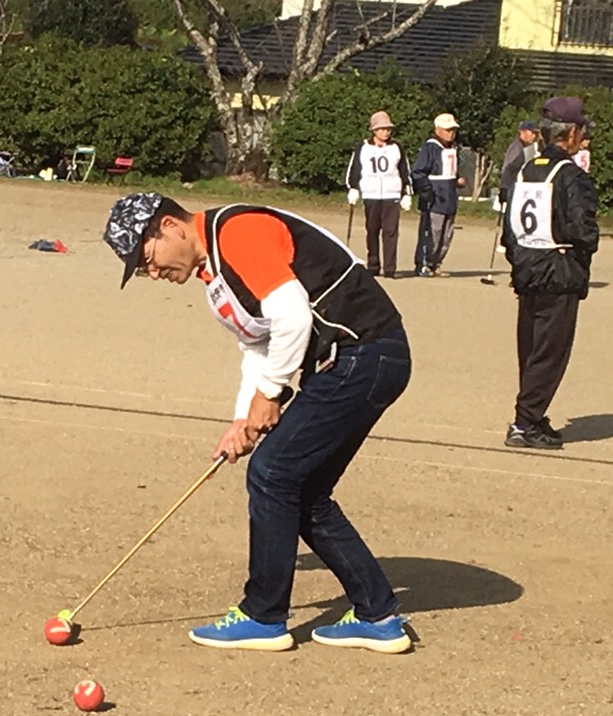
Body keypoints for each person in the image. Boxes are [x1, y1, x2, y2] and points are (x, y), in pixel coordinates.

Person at [102, 193, 413, 654]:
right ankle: (378, 615)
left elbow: (290, 316)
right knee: (300, 490)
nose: (152, 273)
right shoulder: (214, 277)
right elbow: (259, 346)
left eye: (147, 258)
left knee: (272, 474)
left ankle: (264, 616)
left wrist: (271, 396)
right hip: (356, 361)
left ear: (170, 226)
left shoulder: (236, 233)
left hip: (365, 355)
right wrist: (242, 419)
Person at [501, 97, 599, 451]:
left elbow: (509, 228)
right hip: (558, 272)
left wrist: (519, 261)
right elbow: (583, 230)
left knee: (530, 348)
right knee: (550, 351)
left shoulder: (526, 170)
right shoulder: (572, 176)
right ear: (570, 133)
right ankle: (525, 421)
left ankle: (533, 414)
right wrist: (584, 251)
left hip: (527, 268)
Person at [345, 110, 413, 279]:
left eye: (388, 129)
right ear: (374, 130)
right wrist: (353, 188)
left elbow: (404, 170)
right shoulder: (363, 147)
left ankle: (390, 268)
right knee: (372, 230)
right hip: (371, 193)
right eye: (382, 129)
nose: (386, 132)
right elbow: (355, 169)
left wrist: (407, 192)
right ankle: (373, 264)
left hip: (392, 193)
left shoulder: (396, 147)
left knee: (391, 232)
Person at [411, 113, 467, 277]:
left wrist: (457, 180)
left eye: (453, 130)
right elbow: (418, 172)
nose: (451, 133)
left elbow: (449, 171)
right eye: (448, 130)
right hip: (434, 198)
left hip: (449, 196)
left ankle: (436, 263)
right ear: (438, 130)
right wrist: (426, 189)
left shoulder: (453, 148)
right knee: (432, 232)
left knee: (447, 234)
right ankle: (423, 264)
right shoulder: (430, 148)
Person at [499, 120, 540, 205]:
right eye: (532, 133)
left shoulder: (525, 148)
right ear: (523, 132)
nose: (534, 136)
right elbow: (508, 167)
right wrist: (505, 188)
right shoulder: (517, 147)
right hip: (511, 189)